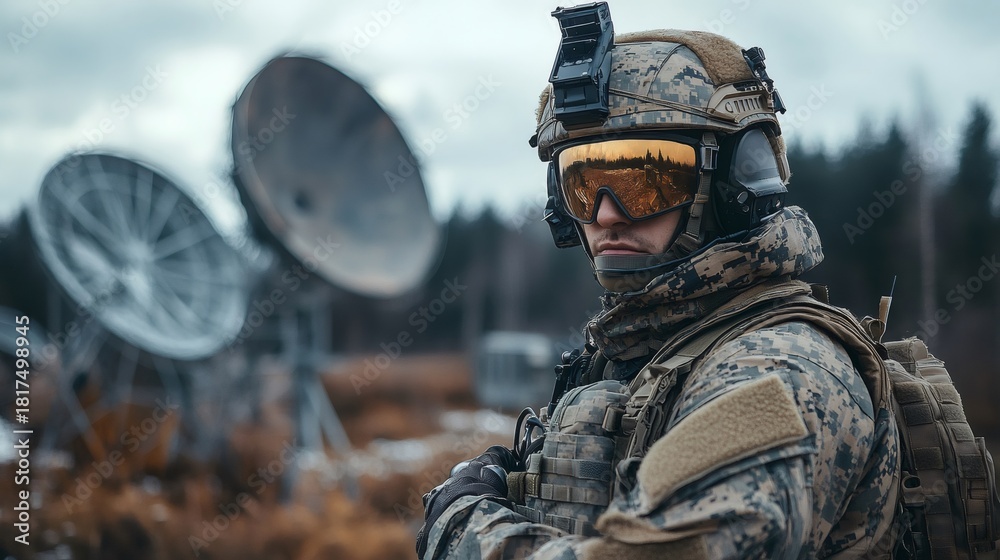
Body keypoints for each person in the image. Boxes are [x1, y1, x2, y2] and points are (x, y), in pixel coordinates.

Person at [417, 6, 899, 559]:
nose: (605, 215)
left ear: (728, 184)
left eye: (645, 181)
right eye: (583, 183)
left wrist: (464, 527)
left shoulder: (776, 367)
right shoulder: (644, 350)